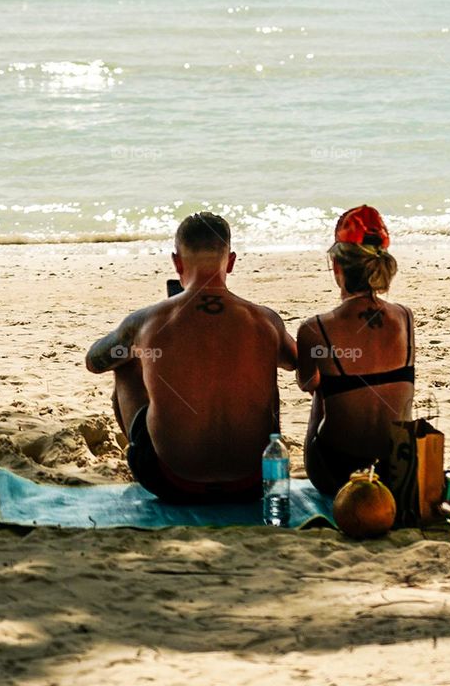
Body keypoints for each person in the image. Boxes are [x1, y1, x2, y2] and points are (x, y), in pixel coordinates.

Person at [86, 212, 297, 503]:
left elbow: (94, 360)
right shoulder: (265, 321)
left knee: (125, 362)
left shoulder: (147, 321)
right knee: (261, 357)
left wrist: (144, 348)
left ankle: (141, 448)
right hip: (254, 481)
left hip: (170, 483)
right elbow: (296, 363)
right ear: (231, 261)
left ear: (177, 263)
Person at [297, 206, 415, 496]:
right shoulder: (405, 317)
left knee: (321, 388)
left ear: (337, 266)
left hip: (337, 473)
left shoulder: (315, 329)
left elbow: (306, 383)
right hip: (397, 470)